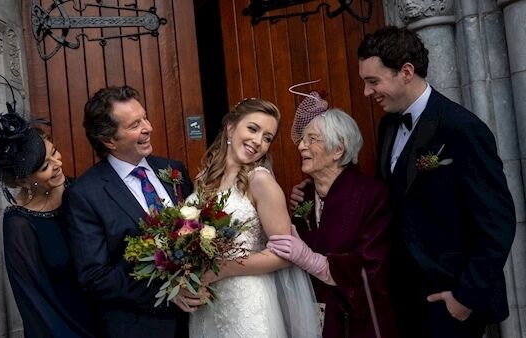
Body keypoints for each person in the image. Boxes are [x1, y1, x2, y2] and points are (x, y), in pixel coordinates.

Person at [344, 25, 512, 338]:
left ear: (406, 72)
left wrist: (465, 297)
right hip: (404, 297)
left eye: (373, 81)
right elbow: (389, 197)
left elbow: (498, 222)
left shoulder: (461, 129)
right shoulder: (388, 126)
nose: (367, 92)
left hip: (450, 297)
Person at [64, 85, 203, 338]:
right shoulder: (86, 194)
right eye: (134, 125)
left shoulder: (174, 171)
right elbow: (95, 277)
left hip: (199, 319)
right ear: (109, 141)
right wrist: (170, 290)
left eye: (145, 117)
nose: (148, 128)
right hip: (142, 326)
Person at [189, 98, 320, 338]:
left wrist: (222, 270)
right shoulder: (205, 178)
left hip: (248, 304)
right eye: (253, 128)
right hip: (207, 304)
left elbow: (286, 255)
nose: (258, 142)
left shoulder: (260, 181)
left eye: (268, 137)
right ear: (230, 126)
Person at [268, 102, 397, 338]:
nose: (300, 146)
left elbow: (373, 268)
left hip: (356, 322)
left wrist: (312, 260)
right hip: (308, 316)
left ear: (338, 149)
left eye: (311, 139)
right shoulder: (303, 196)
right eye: (302, 139)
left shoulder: (372, 196)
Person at [0, 110, 99, 337]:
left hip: (111, 318)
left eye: (54, 153)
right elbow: (34, 299)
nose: (57, 164)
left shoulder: (79, 192)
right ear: (23, 180)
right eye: (44, 166)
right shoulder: (19, 223)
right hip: (63, 327)